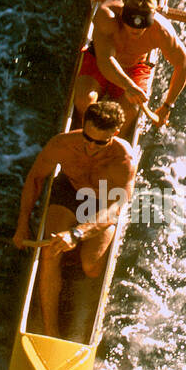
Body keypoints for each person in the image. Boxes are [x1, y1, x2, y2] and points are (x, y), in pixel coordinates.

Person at [13, 100, 135, 338]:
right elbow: (36, 178)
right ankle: (50, 331)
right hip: (69, 193)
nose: (90, 147)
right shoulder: (62, 144)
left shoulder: (124, 160)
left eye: (100, 142)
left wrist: (77, 233)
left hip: (102, 204)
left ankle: (76, 274)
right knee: (50, 253)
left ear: (115, 134)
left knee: (91, 267)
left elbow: (117, 208)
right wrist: (22, 223)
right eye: (87, 138)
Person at [74, 0, 186, 134]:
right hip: (99, 60)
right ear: (122, 12)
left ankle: (111, 144)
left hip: (134, 67)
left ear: (152, 16)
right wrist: (129, 86)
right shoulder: (107, 16)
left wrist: (167, 106)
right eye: (130, 23)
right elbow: (105, 61)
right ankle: (83, 133)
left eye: (143, 25)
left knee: (128, 113)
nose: (135, 30)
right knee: (84, 101)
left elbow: (184, 65)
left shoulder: (162, 31)